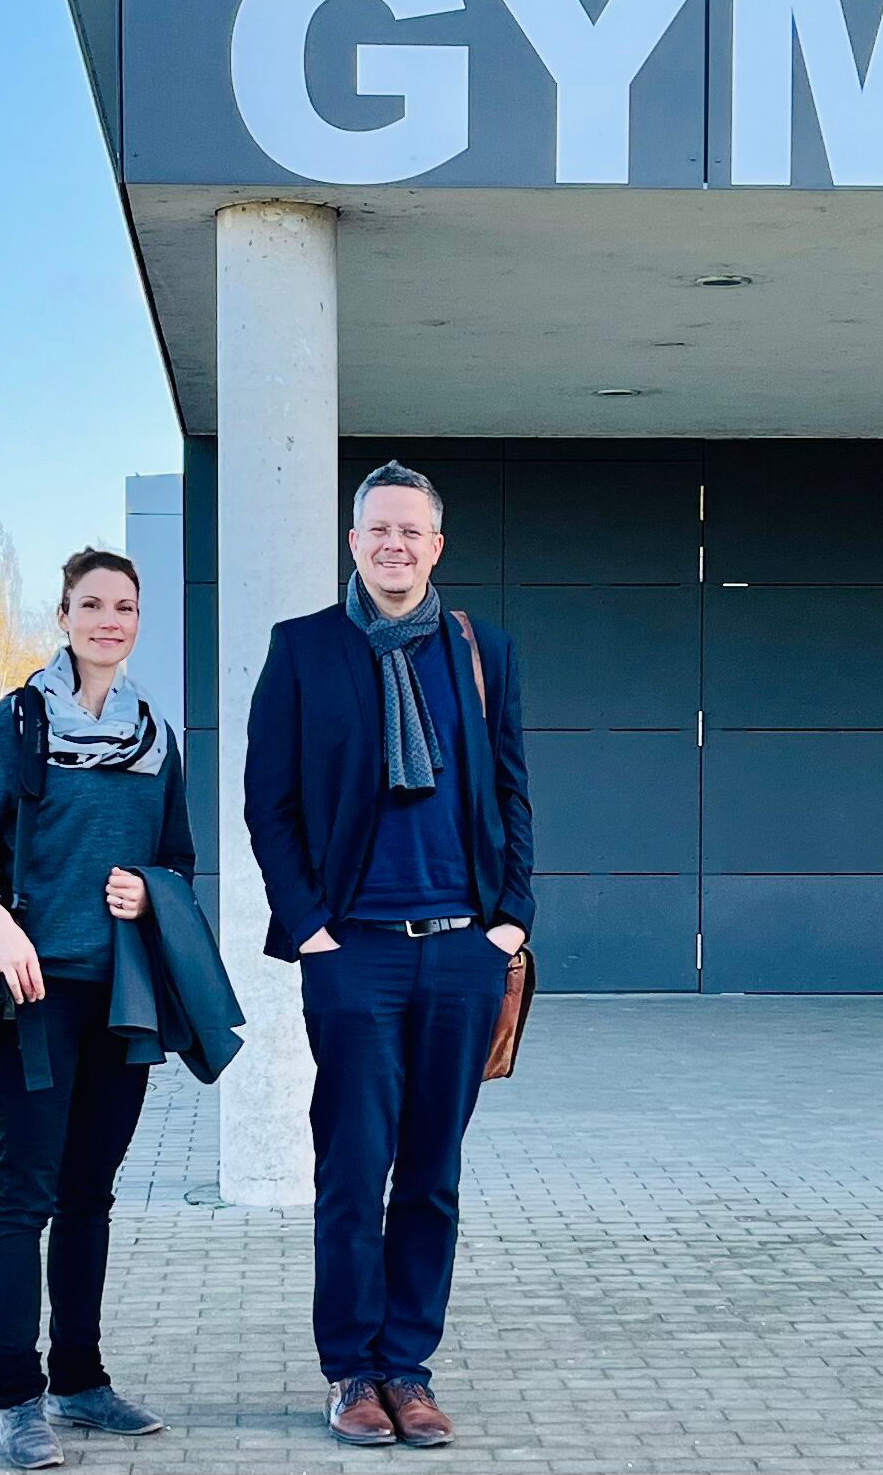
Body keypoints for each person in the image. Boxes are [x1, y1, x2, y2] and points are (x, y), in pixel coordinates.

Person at [243, 460, 533, 1448]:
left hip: (462, 950)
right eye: (378, 529)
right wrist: (312, 929)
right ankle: (352, 1371)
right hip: (355, 951)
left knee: (433, 1172)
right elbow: (269, 805)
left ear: (436, 545)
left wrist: (511, 922)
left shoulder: (481, 651)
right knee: (353, 1165)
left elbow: (512, 792)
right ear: (354, 541)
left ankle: (410, 1365)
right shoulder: (305, 650)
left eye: (413, 530)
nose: (395, 544)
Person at [0, 549, 193, 1470]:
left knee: (91, 1195)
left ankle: (81, 1378)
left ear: (138, 618)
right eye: (91, 604)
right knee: (25, 1195)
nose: (108, 619)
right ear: (64, 614)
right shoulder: (16, 723)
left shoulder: (157, 736)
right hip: (33, 996)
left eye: (124, 605)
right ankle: (17, 1398)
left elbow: (181, 863)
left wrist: (151, 893)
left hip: (123, 996)